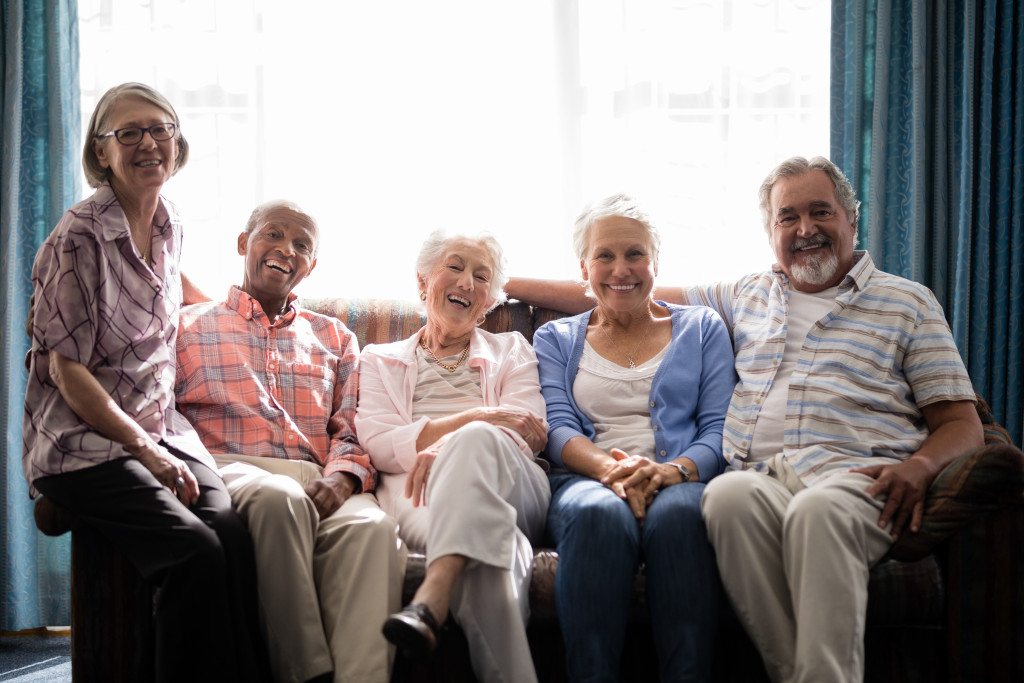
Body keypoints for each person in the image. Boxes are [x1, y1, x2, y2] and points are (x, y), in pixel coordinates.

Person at [506, 156, 985, 683]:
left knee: (814, 515)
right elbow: (619, 290)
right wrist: (488, 278)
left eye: (820, 212)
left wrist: (920, 467)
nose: (805, 229)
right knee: (724, 499)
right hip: (759, 475)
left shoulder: (907, 303)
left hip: (854, 475)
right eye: (788, 218)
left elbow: (963, 423)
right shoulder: (748, 294)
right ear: (770, 231)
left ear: (852, 218)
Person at [22, 82, 268, 683]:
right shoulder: (76, 237)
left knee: (231, 533)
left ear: (177, 142)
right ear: (100, 153)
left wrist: (240, 322)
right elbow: (65, 370)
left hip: (160, 424)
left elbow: (168, 284)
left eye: (160, 128)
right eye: (127, 133)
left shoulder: (168, 219)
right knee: (193, 553)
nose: (148, 143)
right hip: (83, 440)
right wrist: (145, 451)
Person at [174, 200, 405, 683]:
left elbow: (351, 427)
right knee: (277, 499)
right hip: (229, 468)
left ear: (311, 266)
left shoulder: (336, 337)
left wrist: (343, 481)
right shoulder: (186, 326)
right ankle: (306, 675)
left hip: (319, 478)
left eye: (301, 245)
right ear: (243, 243)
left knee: (374, 530)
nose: (286, 249)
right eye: (273, 235)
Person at [531, 194, 736, 682]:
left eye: (635, 254)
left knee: (682, 516)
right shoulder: (554, 338)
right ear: (585, 267)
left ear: (655, 262)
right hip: (584, 479)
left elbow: (719, 427)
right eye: (605, 255)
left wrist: (668, 471)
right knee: (597, 514)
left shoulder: (702, 328)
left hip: (681, 476)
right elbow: (556, 429)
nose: (621, 268)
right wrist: (610, 470)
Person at [354, 230, 551, 683]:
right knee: (491, 553)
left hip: (514, 486)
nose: (466, 282)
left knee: (479, 442)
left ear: (488, 303)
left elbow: (527, 431)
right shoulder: (378, 359)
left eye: (481, 277)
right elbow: (380, 443)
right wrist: (482, 415)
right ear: (423, 282)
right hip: (418, 492)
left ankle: (433, 595)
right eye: (455, 267)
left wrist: (450, 441)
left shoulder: (513, 349)